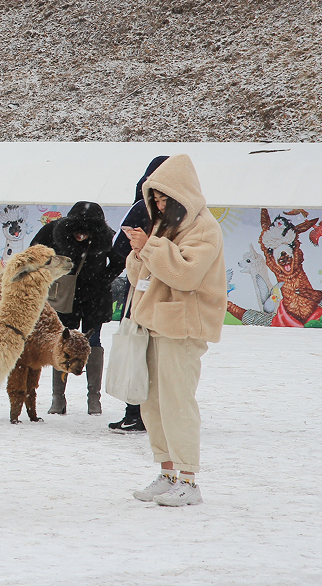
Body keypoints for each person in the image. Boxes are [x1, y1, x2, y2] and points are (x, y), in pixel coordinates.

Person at [121, 154, 227, 507]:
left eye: (166, 198)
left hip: (182, 327)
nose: (160, 205)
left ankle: (189, 480)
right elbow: (142, 279)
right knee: (153, 404)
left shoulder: (204, 229)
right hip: (154, 323)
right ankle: (168, 473)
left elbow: (185, 274)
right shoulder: (166, 229)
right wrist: (138, 252)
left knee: (177, 402)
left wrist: (149, 246)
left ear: (183, 195)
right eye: (156, 198)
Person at [30, 201, 121, 416]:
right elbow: (34, 255)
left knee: (94, 342)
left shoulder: (107, 236)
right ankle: (58, 398)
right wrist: (50, 275)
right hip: (64, 296)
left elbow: (119, 261)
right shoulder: (52, 230)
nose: (81, 236)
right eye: (77, 231)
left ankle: (94, 399)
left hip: (94, 298)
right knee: (61, 343)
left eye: (86, 232)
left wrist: (103, 279)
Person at [107, 155, 169, 434]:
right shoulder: (187, 213)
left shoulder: (141, 208)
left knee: (137, 349)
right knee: (163, 355)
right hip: (172, 292)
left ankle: (135, 412)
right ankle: (160, 413)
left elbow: (120, 247)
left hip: (142, 287)